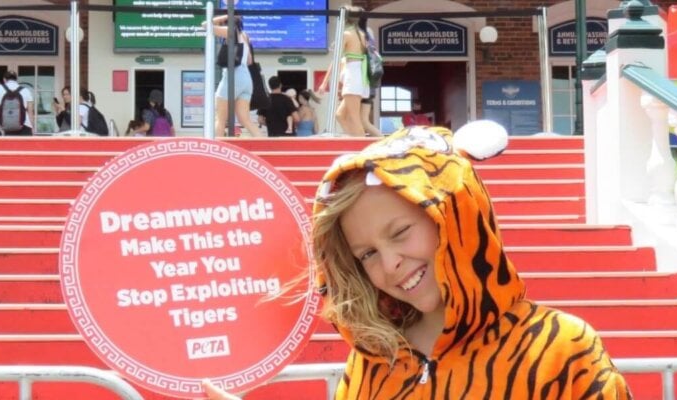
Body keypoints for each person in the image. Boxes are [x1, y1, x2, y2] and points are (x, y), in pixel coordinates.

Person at [202, 124, 632, 399]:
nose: (389, 264)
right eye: (366, 254)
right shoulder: (371, 362)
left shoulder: (561, 347)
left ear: (454, 215)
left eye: (401, 232)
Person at [202, 15, 262, 137]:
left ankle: (215, 150)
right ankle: (262, 142)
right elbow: (249, 60)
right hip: (247, 79)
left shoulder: (230, 31)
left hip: (233, 76)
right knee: (245, 120)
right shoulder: (245, 35)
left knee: (220, 118)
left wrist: (225, 16)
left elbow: (205, 25)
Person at [317, 5, 369, 136]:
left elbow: (336, 59)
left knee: (354, 118)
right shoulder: (361, 34)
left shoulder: (347, 34)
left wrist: (324, 83)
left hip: (353, 76)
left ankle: (360, 147)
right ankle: (354, 141)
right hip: (359, 75)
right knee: (340, 115)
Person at [0, 70, 35, 135]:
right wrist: (32, 127)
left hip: (8, 126)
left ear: (4, 79)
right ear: (16, 79)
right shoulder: (26, 90)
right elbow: (30, 112)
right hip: (25, 125)